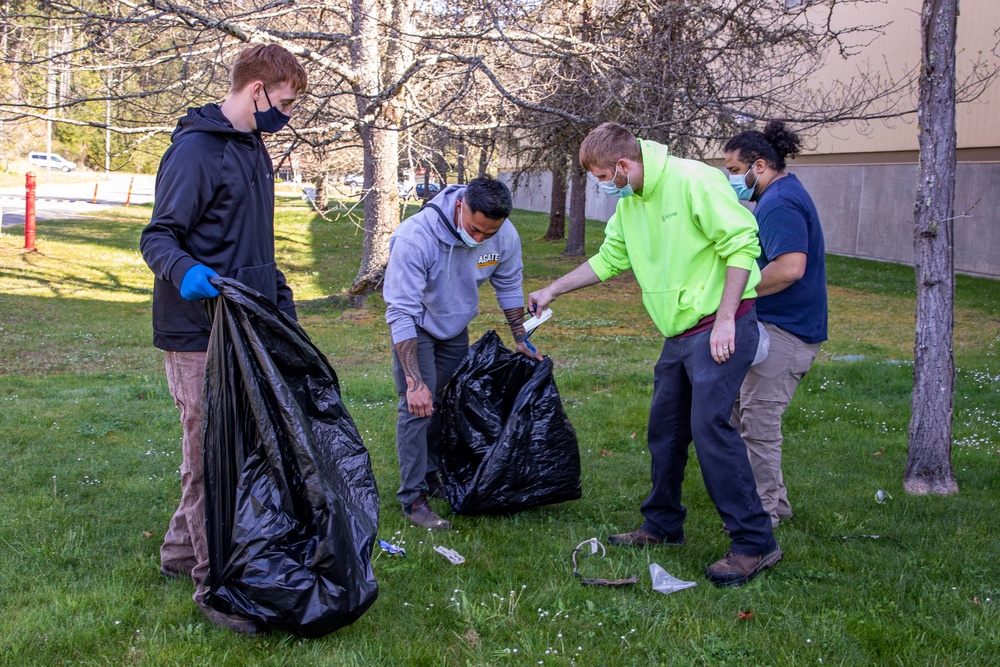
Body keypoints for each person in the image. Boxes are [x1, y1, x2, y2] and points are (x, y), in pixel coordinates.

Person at [528, 122, 781, 587]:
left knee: (709, 429)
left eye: (604, 176)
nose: (603, 186)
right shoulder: (633, 203)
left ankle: (755, 543)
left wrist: (726, 319)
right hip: (679, 333)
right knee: (664, 431)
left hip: (720, 324)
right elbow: (609, 260)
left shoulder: (693, 181)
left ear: (623, 165)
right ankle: (662, 525)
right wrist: (552, 290)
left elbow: (743, 245)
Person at [140, 44, 307, 634]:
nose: (287, 114)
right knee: (214, 459)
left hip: (245, 325)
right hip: (196, 333)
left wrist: (277, 296)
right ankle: (214, 589)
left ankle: (179, 553)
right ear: (256, 89)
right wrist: (189, 275)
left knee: (213, 452)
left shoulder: (253, 149)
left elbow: (250, 243)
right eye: (283, 102)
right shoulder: (195, 151)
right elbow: (158, 238)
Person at [383, 176, 542, 530]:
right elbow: (401, 311)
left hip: (455, 327)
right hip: (418, 326)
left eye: (489, 232)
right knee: (418, 406)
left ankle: (433, 475)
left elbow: (509, 284)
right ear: (460, 207)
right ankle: (413, 499)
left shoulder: (505, 234)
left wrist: (520, 336)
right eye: (475, 229)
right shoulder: (414, 238)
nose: (481, 238)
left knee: (447, 402)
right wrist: (414, 380)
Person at [723, 121, 828, 529]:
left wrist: (737, 294)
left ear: (760, 165)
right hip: (778, 327)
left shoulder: (779, 202)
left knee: (758, 424)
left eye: (734, 170)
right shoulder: (780, 195)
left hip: (790, 332)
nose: (732, 179)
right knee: (739, 412)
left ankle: (762, 517)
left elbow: (789, 268)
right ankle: (772, 505)